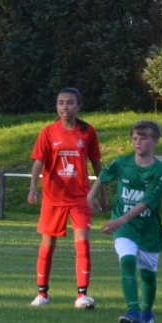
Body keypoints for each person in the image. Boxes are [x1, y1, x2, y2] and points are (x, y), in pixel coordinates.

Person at [28, 88, 103, 309]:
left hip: (80, 197)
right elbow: (38, 163)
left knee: (82, 244)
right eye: (61, 103)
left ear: (79, 106)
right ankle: (42, 294)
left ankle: (82, 296)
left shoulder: (87, 132)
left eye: (70, 103)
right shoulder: (48, 132)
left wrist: (102, 192)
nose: (65, 107)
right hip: (53, 197)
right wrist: (33, 188)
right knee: (48, 245)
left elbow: (97, 163)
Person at [89, 119, 162, 323]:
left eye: (143, 138)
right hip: (126, 228)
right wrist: (91, 194)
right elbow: (104, 175)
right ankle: (133, 311)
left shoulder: (159, 171)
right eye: (135, 138)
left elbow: (146, 202)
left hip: (148, 229)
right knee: (128, 261)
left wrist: (120, 220)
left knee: (148, 274)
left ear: (155, 142)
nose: (138, 142)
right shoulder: (122, 162)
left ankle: (147, 312)